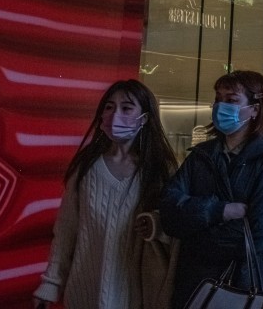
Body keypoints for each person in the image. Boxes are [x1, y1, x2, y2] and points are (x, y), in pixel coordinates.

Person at [34, 80, 178, 309]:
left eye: (127, 108)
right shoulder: (86, 167)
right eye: (109, 107)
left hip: (135, 295)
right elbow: (65, 230)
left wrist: (156, 225)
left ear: (145, 118)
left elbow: (176, 225)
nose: (115, 114)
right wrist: (51, 283)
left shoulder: (160, 171)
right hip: (83, 292)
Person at [161, 70, 263, 309]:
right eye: (218, 99)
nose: (221, 106)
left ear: (255, 109)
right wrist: (218, 211)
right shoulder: (200, 156)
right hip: (196, 287)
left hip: (248, 285)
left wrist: (194, 238)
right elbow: (169, 211)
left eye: (231, 100)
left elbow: (260, 230)